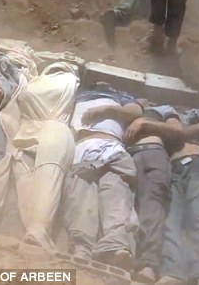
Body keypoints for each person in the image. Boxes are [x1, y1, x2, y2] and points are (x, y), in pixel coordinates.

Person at [126, 107, 199, 285]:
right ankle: (172, 272)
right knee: (170, 221)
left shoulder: (196, 114)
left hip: (196, 165)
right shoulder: (164, 128)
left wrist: (163, 128)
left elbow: (198, 129)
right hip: (173, 171)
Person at [61, 83, 144, 270]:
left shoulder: (121, 98)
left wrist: (108, 109)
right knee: (80, 198)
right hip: (81, 150)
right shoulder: (76, 96)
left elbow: (137, 111)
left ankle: (116, 246)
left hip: (112, 149)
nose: (102, 84)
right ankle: (82, 247)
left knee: (117, 196)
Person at [124, 104, 183, 283]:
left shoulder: (163, 109)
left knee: (153, 206)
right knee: (124, 208)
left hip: (153, 152)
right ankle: (126, 261)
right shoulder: (125, 106)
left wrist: (146, 126)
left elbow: (178, 131)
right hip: (125, 156)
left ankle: (147, 264)